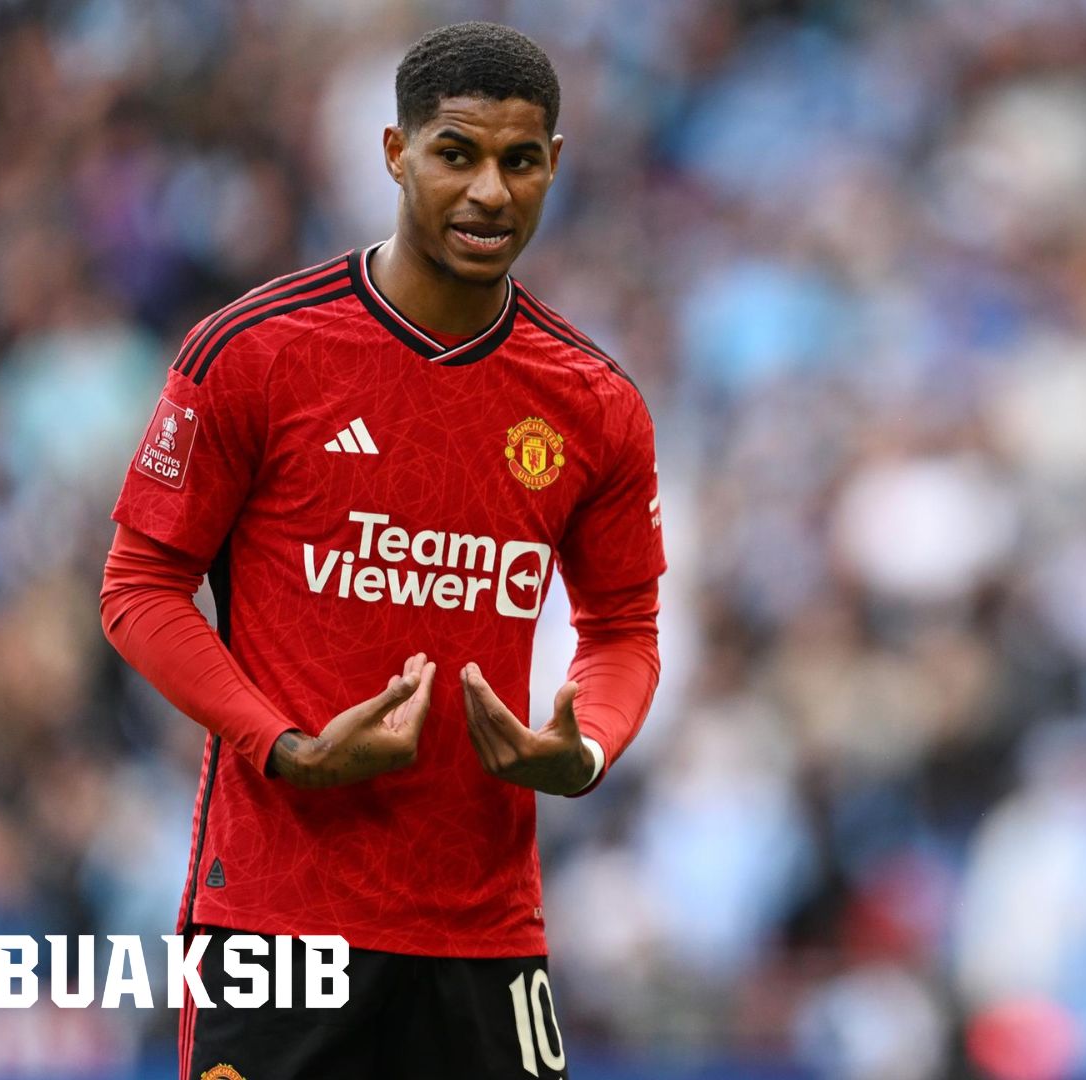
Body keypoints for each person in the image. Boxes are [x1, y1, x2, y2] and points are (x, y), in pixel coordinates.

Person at [99, 22, 663, 1079]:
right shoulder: (256, 353)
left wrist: (584, 750)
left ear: (554, 165)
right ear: (396, 152)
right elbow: (139, 589)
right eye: (457, 153)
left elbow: (625, 629)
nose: (490, 191)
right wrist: (285, 746)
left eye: (520, 160)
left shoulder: (594, 403)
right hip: (276, 922)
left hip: (484, 933)